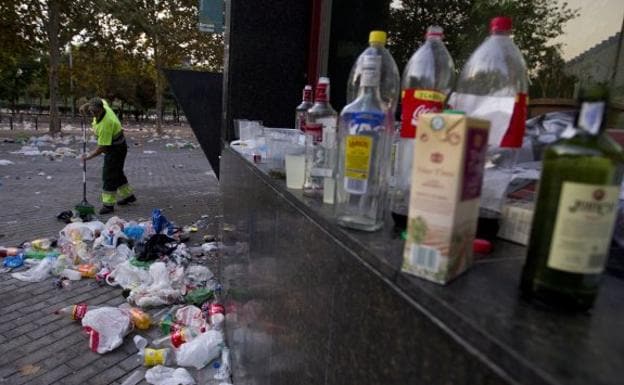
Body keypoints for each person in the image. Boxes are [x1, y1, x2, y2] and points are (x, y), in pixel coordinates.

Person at [79, 97, 136, 214]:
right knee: (117, 172)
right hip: (118, 144)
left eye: (95, 112)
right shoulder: (103, 104)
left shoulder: (106, 124)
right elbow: (100, 99)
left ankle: (108, 205)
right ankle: (128, 196)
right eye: (91, 111)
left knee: (109, 175)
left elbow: (102, 148)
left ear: (101, 109)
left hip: (116, 149)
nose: (93, 114)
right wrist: (85, 106)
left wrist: (88, 157)